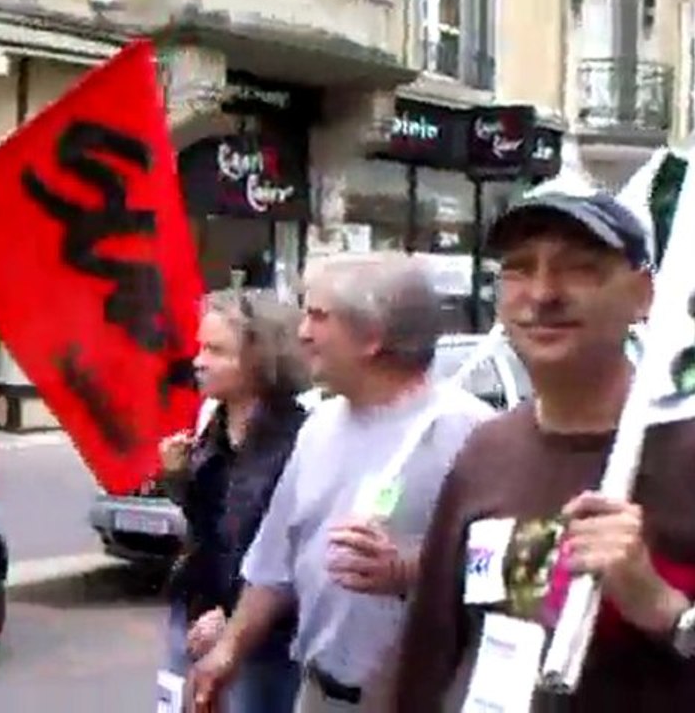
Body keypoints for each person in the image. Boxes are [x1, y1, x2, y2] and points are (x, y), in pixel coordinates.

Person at [395, 191, 695, 711]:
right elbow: (431, 649)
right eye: (517, 269)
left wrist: (666, 610)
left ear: (644, 295)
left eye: (580, 268)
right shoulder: (486, 450)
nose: (543, 292)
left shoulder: (685, 447)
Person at [190, 252, 493, 713]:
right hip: (316, 693)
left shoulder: (468, 433)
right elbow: (274, 562)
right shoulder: (317, 426)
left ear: (371, 336)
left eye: (318, 316)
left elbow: (517, 579)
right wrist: (229, 650)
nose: (302, 333)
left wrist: (413, 569)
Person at [160, 288, 311, 713]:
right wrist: (177, 477)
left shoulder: (298, 437)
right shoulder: (214, 423)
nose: (198, 361)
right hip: (193, 611)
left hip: (260, 639)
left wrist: (233, 619)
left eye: (215, 350)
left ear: (260, 359)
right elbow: (210, 523)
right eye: (199, 347)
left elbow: (290, 549)